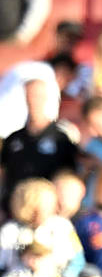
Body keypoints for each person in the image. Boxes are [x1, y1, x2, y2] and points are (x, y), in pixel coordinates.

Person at [0, 80, 79, 210]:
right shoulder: (13, 139)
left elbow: (69, 175)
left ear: (47, 97)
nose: (33, 100)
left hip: (48, 209)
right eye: (29, 95)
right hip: (13, 208)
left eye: (37, 95)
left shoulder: (62, 139)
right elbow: (3, 174)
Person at [0, 179, 84, 277]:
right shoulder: (10, 231)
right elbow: (2, 264)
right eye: (47, 204)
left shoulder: (63, 226)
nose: (54, 207)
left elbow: (77, 261)